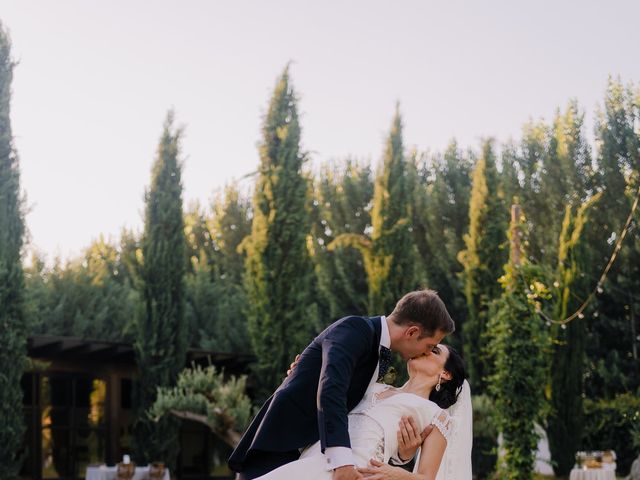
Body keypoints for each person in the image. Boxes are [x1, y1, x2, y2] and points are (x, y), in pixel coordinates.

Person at [228, 289, 456, 480]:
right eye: (430, 344)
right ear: (412, 332)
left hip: (319, 457)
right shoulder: (354, 329)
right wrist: (342, 462)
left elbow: (364, 422)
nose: (426, 352)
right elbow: (331, 388)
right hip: (281, 446)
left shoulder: (379, 361)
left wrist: (402, 456)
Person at [255, 344, 468, 480]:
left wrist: (394, 473)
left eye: (435, 350)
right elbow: (329, 400)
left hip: (356, 471)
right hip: (321, 454)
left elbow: (427, 477)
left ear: (446, 373)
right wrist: (301, 378)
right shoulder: (373, 386)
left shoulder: (436, 415)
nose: (426, 348)